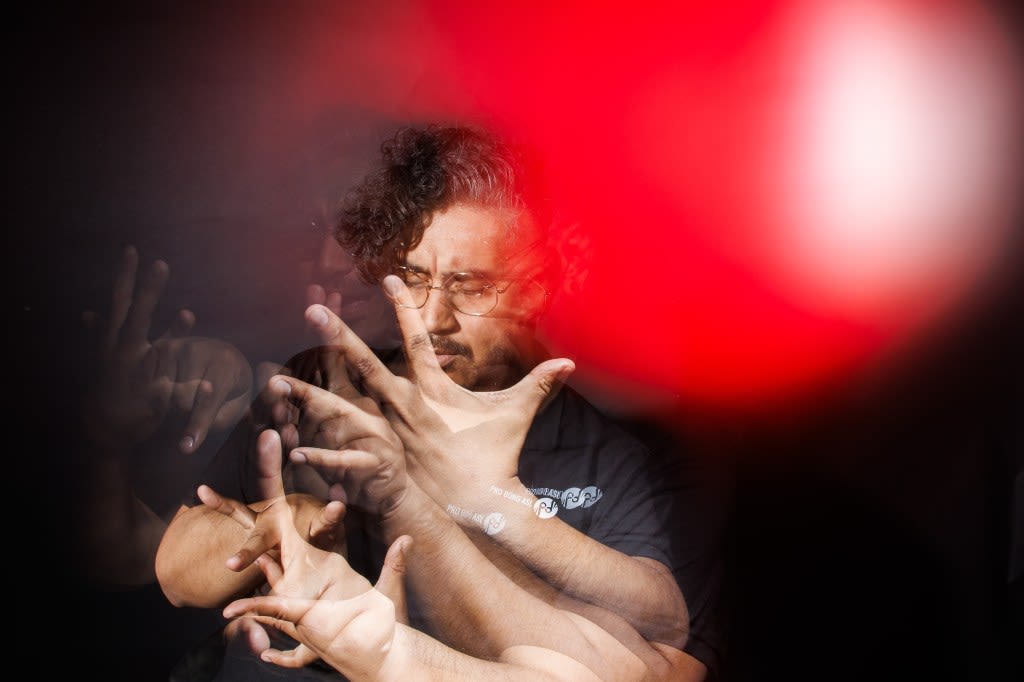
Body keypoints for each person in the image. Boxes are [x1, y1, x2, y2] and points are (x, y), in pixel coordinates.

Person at [155, 124, 726, 679]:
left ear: (535, 287)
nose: (431, 318)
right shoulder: (326, 386)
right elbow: (177, 576)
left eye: (470, 286)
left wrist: (482, 508)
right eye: (414, 277)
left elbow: (661, 659)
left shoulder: (620, 462)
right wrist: (293, 520)